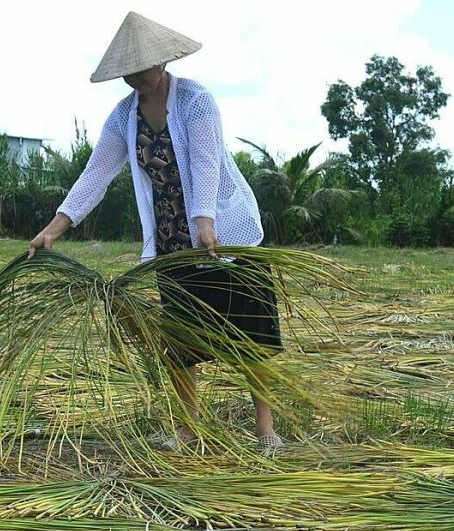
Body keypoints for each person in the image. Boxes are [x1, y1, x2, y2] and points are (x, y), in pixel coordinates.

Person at [26, 11, 283, 453]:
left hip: (228, 237)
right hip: (170, 243)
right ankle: (187, 428)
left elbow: (206, 163)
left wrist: (205, 220)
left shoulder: (196, 101)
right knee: (182, 342)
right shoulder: (125, 117)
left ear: (162, 62)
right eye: (127, 73)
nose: (134, 80)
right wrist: (54, 229)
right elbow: (96, 174)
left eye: (140, 70)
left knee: (251, 334)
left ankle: (265, 429)